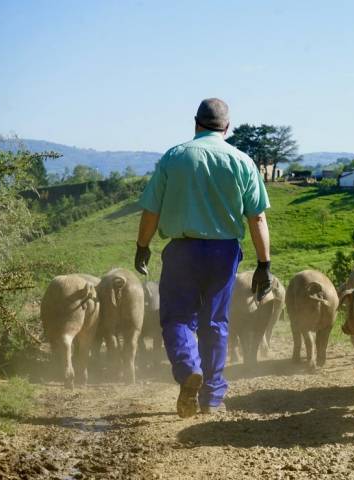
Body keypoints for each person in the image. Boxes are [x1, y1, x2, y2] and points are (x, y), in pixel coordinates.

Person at [134, 98, 272, 418]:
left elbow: (151, 209)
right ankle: (211, 398)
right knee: (216, 323)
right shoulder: (242, 161)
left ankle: (187, 371)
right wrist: (264, 264)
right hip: (224, 253)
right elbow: (258, 219)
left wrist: (143, 245)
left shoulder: (175, 157)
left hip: (182, 251)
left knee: (177, 318)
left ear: (195, 122)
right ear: (227, 127)